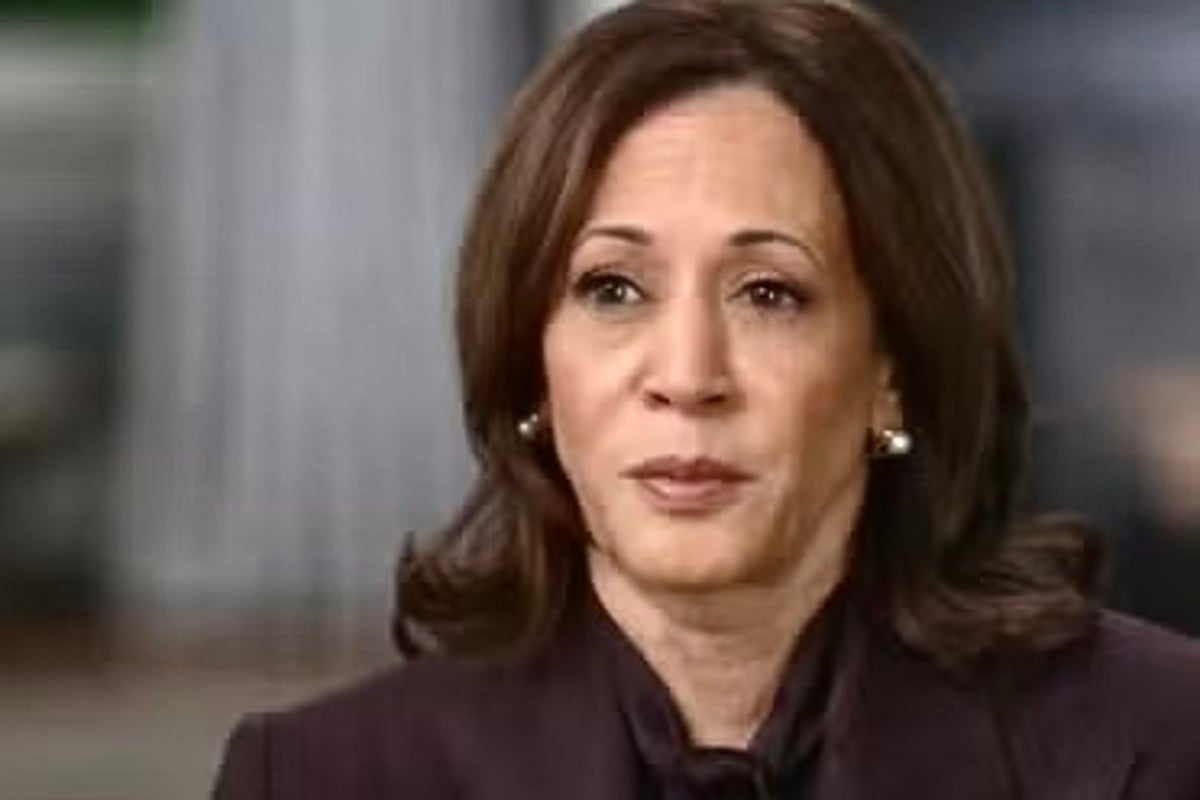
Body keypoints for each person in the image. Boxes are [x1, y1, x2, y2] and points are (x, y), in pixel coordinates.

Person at [212, 1, 1200, 797]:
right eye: (613, 290)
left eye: (769, 294)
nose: (687, 376)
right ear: (531, 363)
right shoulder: (318, 778)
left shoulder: (1153, 745)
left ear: (893, 369)